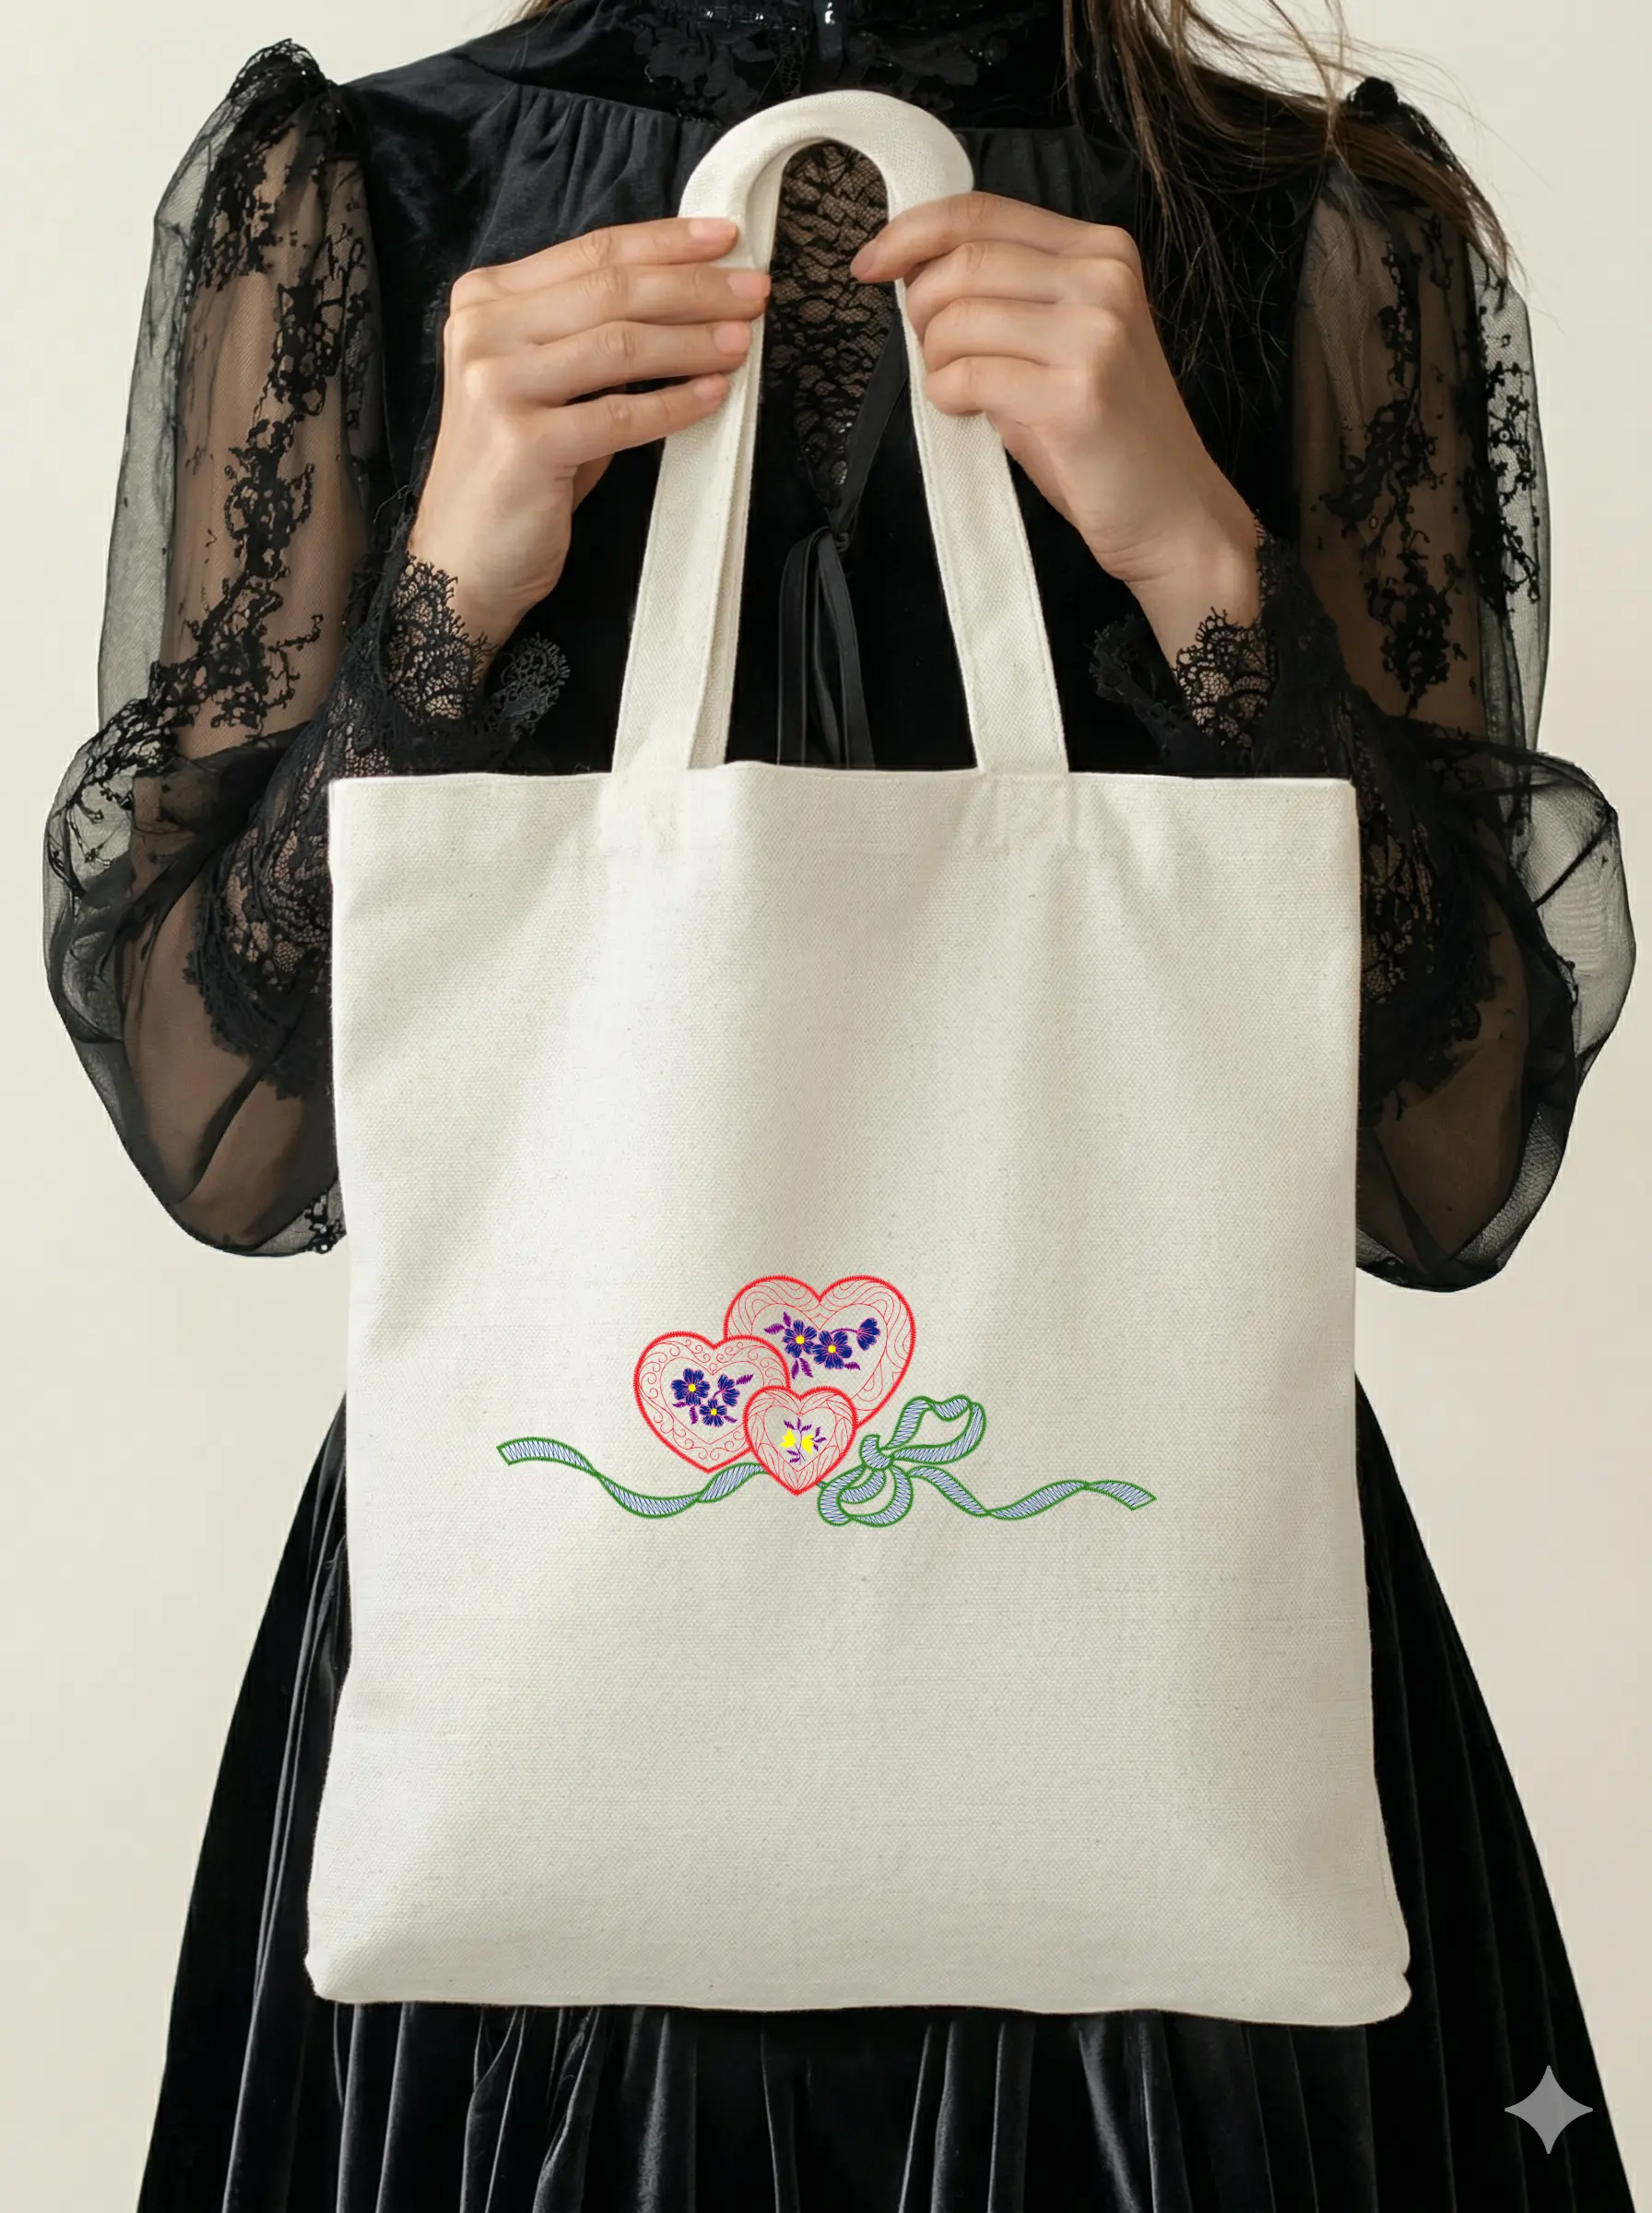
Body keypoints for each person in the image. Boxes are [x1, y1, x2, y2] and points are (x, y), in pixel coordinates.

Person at [43, 0, 1637, 2204]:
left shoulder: (1315, 226)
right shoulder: (367, 202)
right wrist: (443, 601)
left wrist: (1202, 569)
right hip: (551, 1666)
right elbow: (228, 1138)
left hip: (1156, 1661)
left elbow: (1434, 1171)